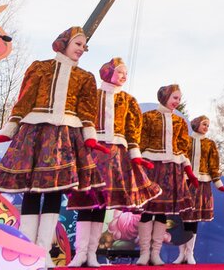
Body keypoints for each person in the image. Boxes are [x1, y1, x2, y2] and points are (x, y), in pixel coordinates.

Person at [0, 27, 108, 268]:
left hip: (64, 137)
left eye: (84, 46)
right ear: (64, 42)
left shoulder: (85, 77)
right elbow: (24, 101)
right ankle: (27, 250)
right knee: (31, 190)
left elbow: (87, 111)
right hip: (35, 134)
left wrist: (90, 138)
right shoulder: (40, 68)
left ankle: (42, 251)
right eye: (78, 44)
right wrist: (8, 130)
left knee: (54, 191)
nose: (81, 49)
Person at [66, 57, 162, 267]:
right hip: (91, 152)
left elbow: (132, 131)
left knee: (101, 203)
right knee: (87, 201)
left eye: (126, 73)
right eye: (120, 71)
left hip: (115, 155)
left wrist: (135, 154)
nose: (124, 76)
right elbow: (82, 121)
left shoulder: (128, 100)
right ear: (108, 72)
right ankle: (80, 253)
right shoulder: (93, 95)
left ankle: (92, 254)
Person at [135, 84, 199, 265]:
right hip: (151, 167)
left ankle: (156, 254)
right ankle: (144, 253)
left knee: (162, 212)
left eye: (179, 98)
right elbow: (141, 141)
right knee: (147, 210)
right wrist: (139, 163)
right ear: (164, 97)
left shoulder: (179, 122)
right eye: (174, 97)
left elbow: (183, 148)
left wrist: (187, 170)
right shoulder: (148, 117)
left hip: (172, 169)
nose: (177, 101)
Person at [174, 115, 224, 264]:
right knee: (182, 218)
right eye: (204, 124)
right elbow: (178, 160)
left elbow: (213, 165)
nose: (206, 127)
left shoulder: (210, 144)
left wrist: (218, 183)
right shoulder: (186, 140)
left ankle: (190, 253)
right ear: (196, 125)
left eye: (208, 125)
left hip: (201, 183)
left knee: (194, 218)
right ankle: (180, 254)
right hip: (185, 182)